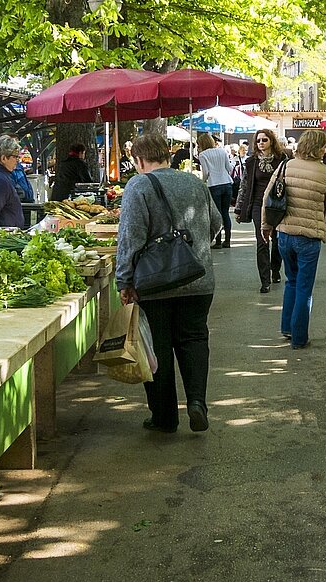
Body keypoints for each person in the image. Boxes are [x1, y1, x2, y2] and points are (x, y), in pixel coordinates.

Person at [115, 134, 222, 434]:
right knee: (194, 340)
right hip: (198, 278)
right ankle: (198, 403)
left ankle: (164, 417)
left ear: (138, 159)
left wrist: (123, 279)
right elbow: (216, 224)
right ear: (167, 154)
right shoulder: (195, 183)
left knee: (156, 347)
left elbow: (130, 238)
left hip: (155, 283)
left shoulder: (138, 186)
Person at [264, 129, 326, 350]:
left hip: (285, 234)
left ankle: (287, 327)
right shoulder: (325, 174)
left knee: (291, 282)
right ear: (317, 148)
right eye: (323, 146)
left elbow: (269, 196)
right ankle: (299, 337)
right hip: (309, 237)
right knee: (304, 287)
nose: (325, 150)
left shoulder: (285, 166)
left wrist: (266, 226)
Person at [235, 129, 287, 293]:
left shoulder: (282, 159)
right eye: (258, 141)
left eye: (264, 140)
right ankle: (265, 281)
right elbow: (244, 185)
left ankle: (275, 269)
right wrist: (239, 208)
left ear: (271, 141)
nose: (261, 143)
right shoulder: (251, 162)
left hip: (277, 205)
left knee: (277, 241)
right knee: (262, 241)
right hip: (258, 205)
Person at [196, 133, 234, 249]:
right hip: (227, 183)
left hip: (214, 185)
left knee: (217, 214)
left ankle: (218, 241)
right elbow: (230, 168)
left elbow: (206, 172)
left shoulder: (203, 155)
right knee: (225, 213)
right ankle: (227, 240)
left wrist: (202, 181)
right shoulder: (222, 151)